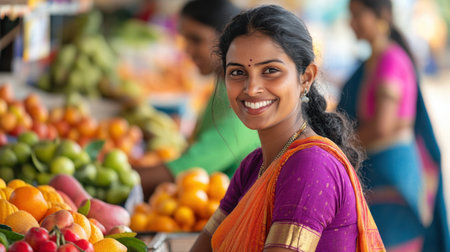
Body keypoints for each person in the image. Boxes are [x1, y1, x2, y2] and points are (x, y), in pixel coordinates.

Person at [190, 5, 385, 251]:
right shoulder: (253, 165)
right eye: (238, 72)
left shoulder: (311, 165)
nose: (251, 88)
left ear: (306, 77)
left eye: (270, 71)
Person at [338, 0, 450, 251]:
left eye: (357, 15)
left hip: (391, 178)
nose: (351, 22)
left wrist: (336, 149)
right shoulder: (371, 62)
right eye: (350, 15)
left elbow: (381, 126)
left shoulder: (390, 59)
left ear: (382, 15)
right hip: (374, 174)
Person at [136, 0, 260, 199]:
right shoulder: (223, 86)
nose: (188, 50)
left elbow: (187, 170)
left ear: (228, 41)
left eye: (196, 40)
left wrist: (121, 179)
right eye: (185, 40)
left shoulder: (244, 103)